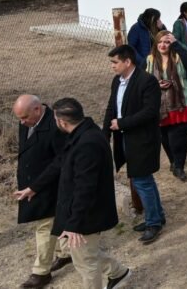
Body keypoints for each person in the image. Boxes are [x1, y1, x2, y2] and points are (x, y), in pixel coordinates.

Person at [50, 98, 131, 289]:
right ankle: (119, 273)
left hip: (87, 215)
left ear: (62, 121)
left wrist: (74, 224)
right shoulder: (84, 133)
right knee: (86, 254)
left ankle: (119, 273)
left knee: (86, 263)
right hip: (84, 212)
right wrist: (35, 187)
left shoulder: (86, 143)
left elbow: (85, 188)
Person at [103, 44, 165, 244]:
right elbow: (111, 107)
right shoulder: (117, 81)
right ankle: (157, 216)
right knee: (144, 180)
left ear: (127, 62)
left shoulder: (147, 82)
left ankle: (153, 222)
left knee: (141, 180)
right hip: (125, 138)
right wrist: (105, 134)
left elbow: (150, 112)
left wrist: (122, 123)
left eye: (115, 62)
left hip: (143, 140)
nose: (112, 66)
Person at [11, 95, 70, 289]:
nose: (22, 122)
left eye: (25, 117)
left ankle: (41, 272)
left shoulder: (56, 127)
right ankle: (65, 253)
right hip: (32, 184)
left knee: (45, 227)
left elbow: (61, 160)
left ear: (37, 109)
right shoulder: (27, 121)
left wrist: (35, 186)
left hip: (50, 185)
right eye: (19, 118)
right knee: (54, 222)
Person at [146, 31, 187, 182]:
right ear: (156, 44)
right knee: (165, 136)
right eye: (160, 42)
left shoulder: (178, 57)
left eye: (167, 42)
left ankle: (179, 167)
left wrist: (176, 44)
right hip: (160, 105)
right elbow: (144, 80)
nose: (163, 45)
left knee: (178, 137)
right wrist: (155, 84)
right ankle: (173, 162)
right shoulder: (149, 60)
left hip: (182, 103)